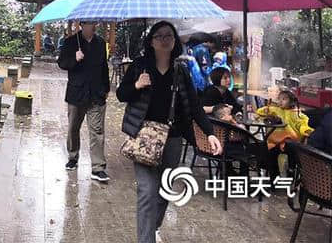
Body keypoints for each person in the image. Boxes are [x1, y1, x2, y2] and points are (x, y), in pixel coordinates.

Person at [117, 21, 221, 243]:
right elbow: (121, 94)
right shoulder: (139, 66)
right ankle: (146, 239)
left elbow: (194, 106)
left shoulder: (180, 71)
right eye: (159, 36)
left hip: (172, 138)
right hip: (144, 136)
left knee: (164, 189)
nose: (165, 39)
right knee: (146, 191)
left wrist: (210, 132)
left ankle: (152, 227)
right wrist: (136, 85)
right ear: (151, 41)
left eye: (169, 36)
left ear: (175, 42)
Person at [57, 21, 110, 182]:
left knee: (97, 131)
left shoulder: (100, 43)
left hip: (96, 94)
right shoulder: (71, 42)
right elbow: (62, 63)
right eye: (89, 23)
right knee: (74, 127)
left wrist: (106, 88)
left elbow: (104, 67)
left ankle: (98, 167)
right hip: (77, 93)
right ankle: (73, 157)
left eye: (95, 23)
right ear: (82, 25)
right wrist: (74, 57)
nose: (93, 26)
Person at [257, 90, 313, 180]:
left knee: (292, 150)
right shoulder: (276, 110)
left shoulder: (298, 114)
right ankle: (274, 175)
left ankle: (291, 171)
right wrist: (265, 110)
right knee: (268, 150)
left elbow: (302, 126)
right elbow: (259, 112)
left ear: (292, 101)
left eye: (284, 99)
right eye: (279, 99)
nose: (280, 101)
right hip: (277, 141)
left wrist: (306, 131)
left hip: (292, 141)